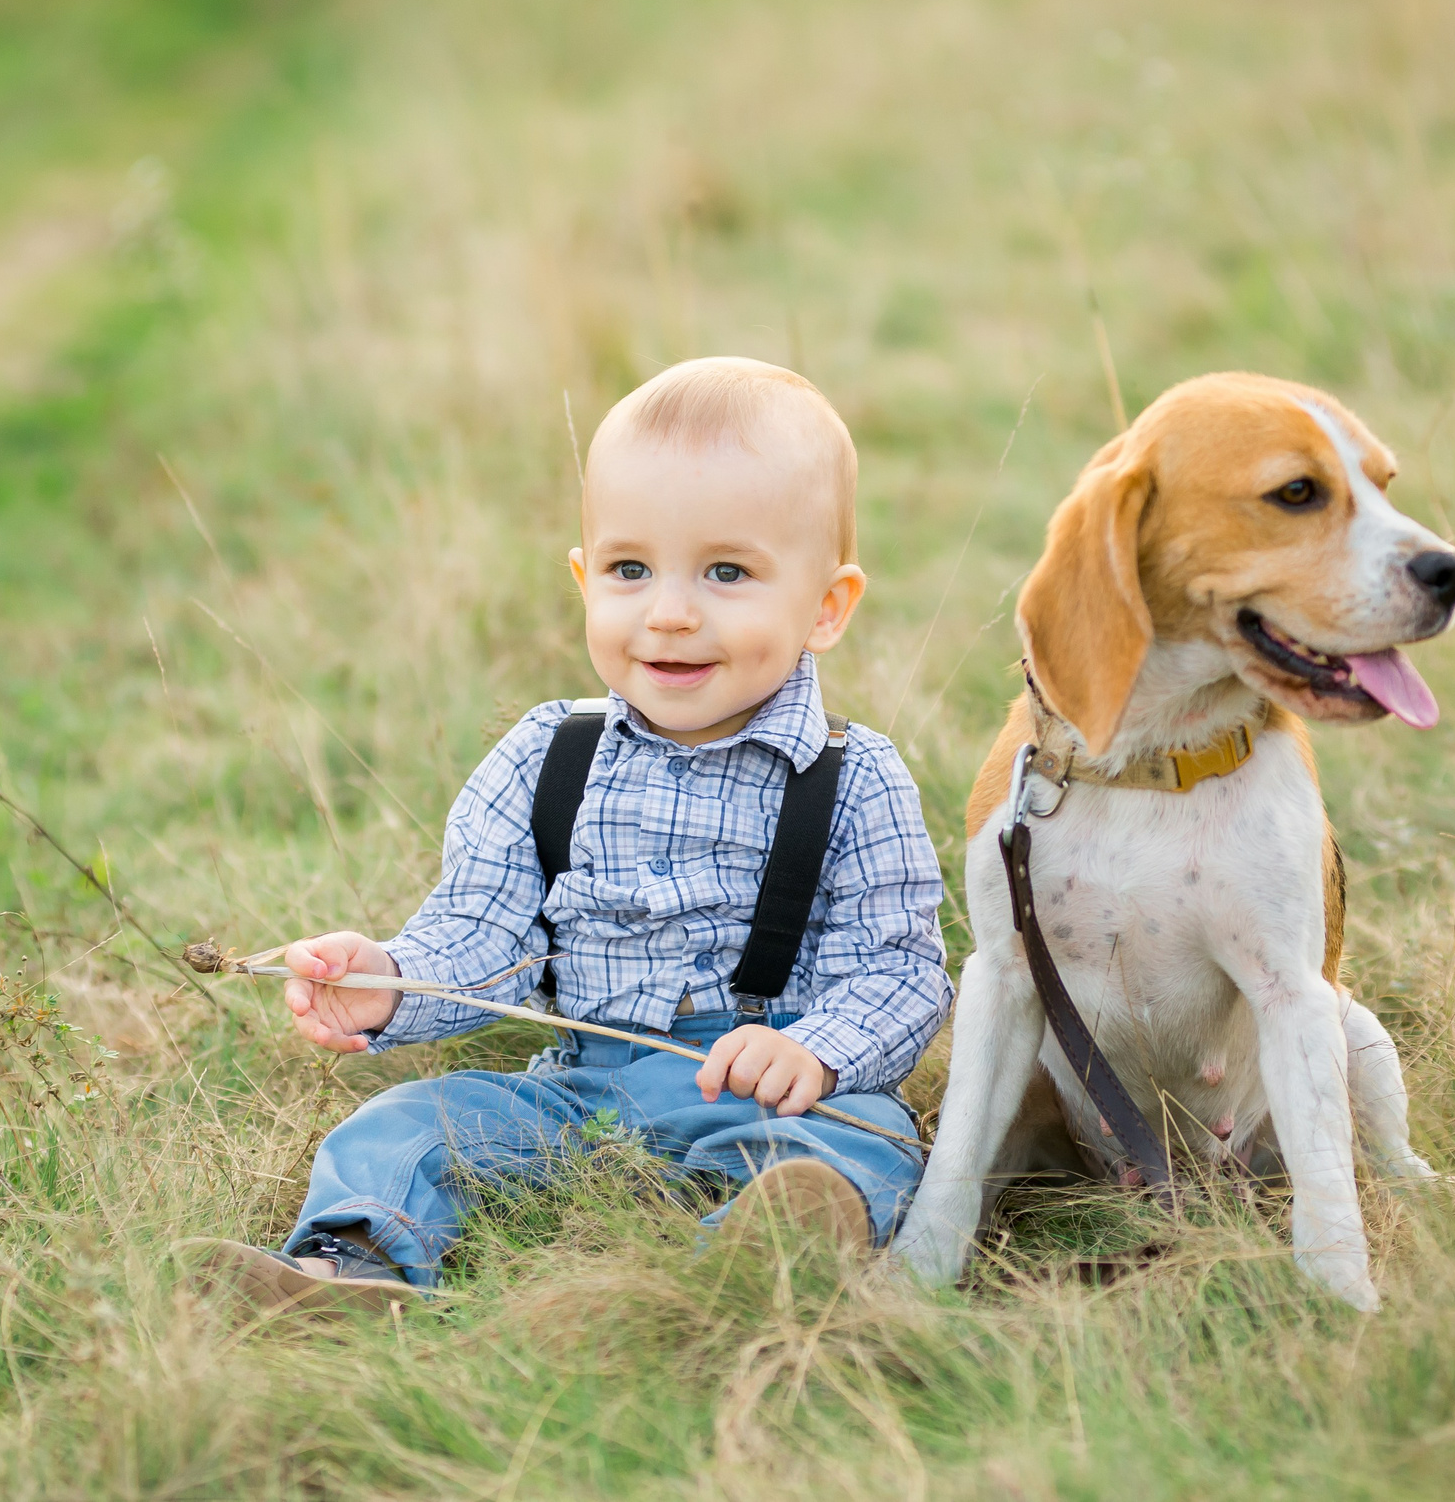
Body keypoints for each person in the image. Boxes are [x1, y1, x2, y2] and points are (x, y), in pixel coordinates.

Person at [196, 357, 953, 1315]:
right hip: (573, 1091)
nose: (669, 611)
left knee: (865, 1137)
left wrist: (818, 1052)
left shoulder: (851, 776)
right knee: (401, 1126)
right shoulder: (547, 756)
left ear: (827, 606)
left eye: (727, 572)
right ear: (583, 576)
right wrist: (390, 978)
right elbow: (484, 936)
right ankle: (348, 1274)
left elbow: (902, 970)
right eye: (630, 569)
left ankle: (761, 1252)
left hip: (759, 1088)